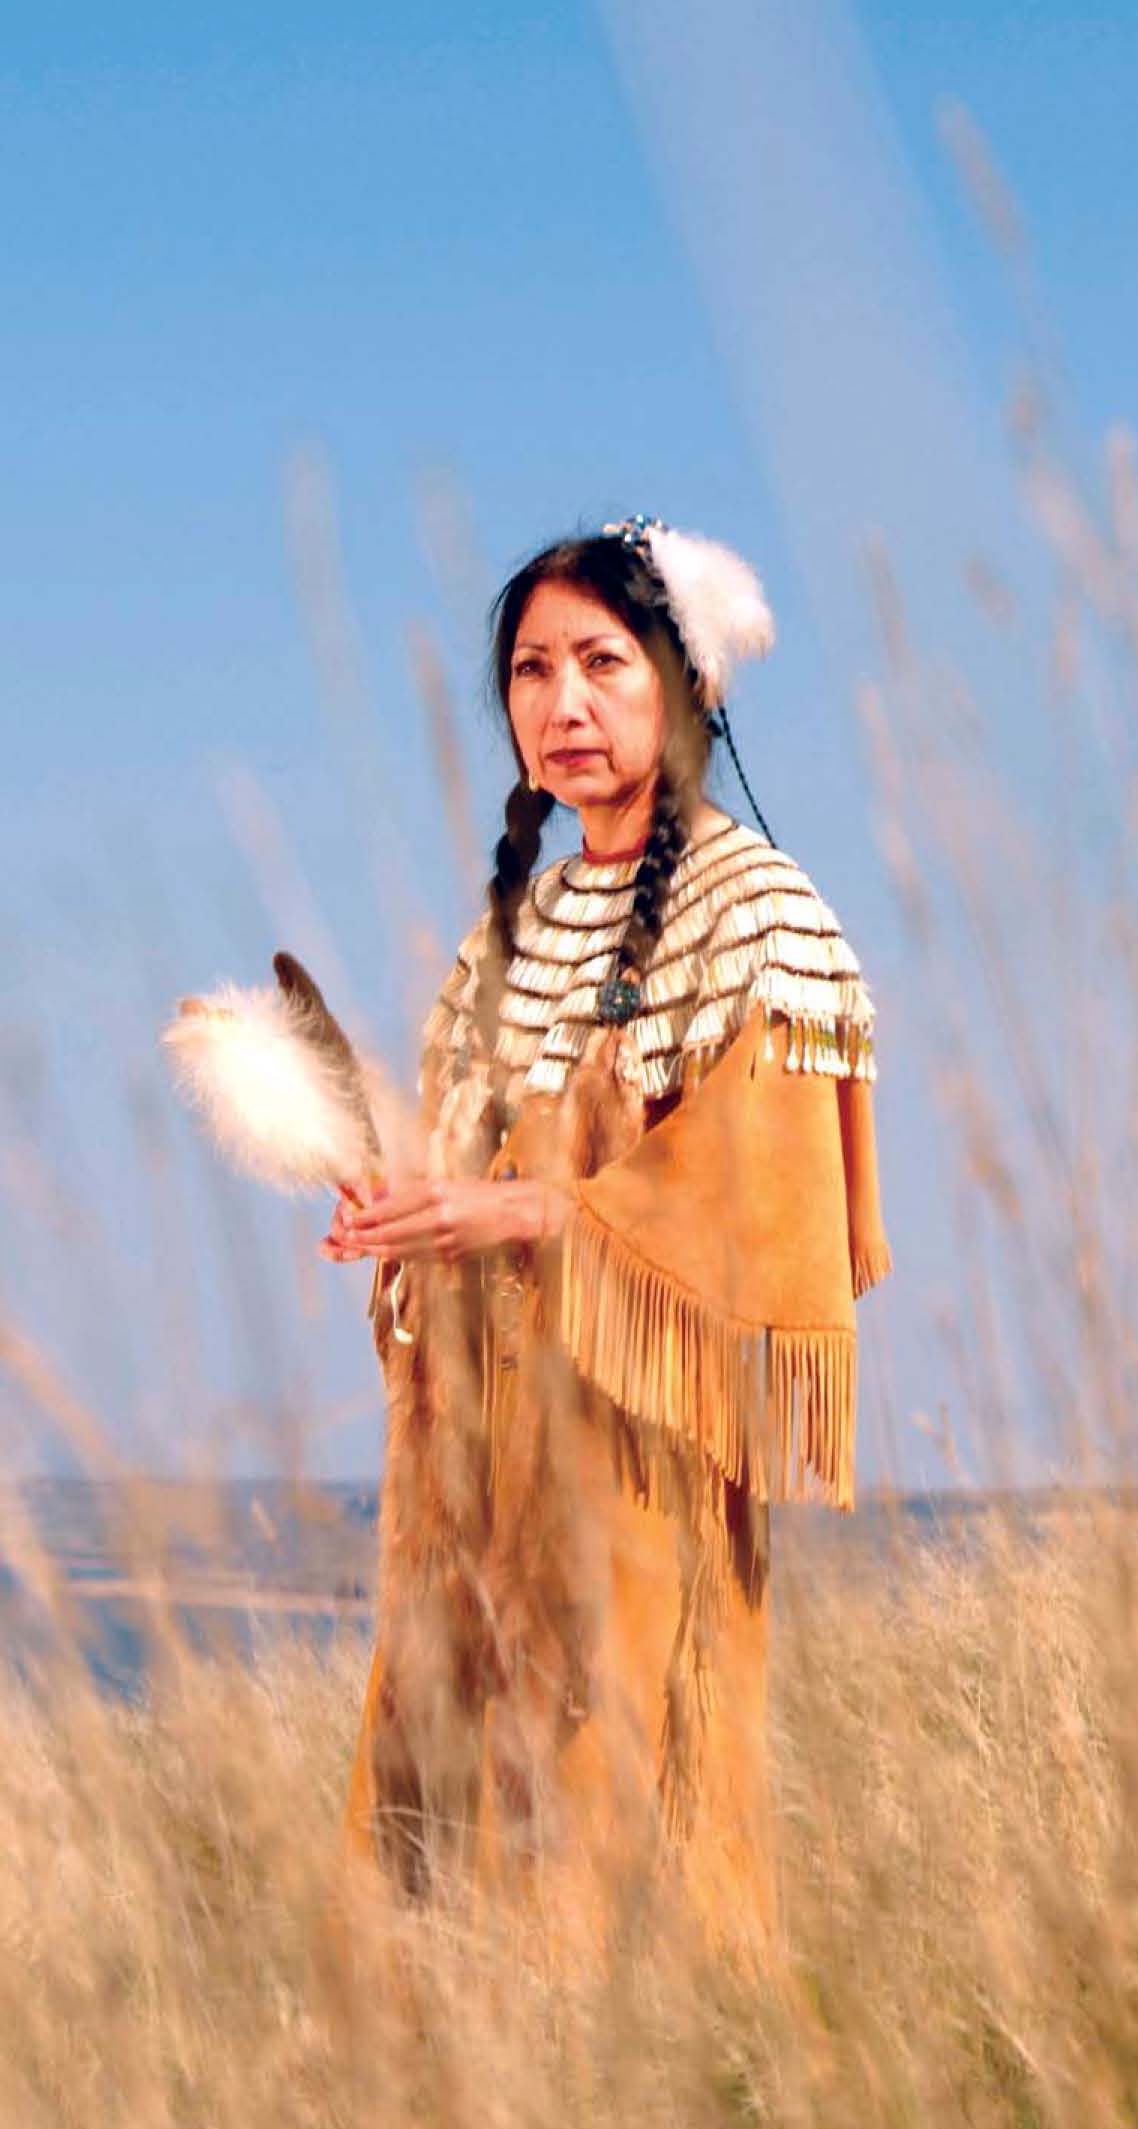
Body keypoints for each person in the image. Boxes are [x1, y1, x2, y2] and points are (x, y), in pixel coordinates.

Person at [324, 515, 891, 1961]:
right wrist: (400, 1205)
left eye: (600, 663)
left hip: (641, 1454)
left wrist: (519, 1209)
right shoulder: (506, 931)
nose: (561, 705)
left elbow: (765, 1209)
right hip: (473, 1457)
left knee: (627, 1816)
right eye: (529, 671)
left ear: (684, 687)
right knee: (451, 1809)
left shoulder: (758, 912)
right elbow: (459, 1153)